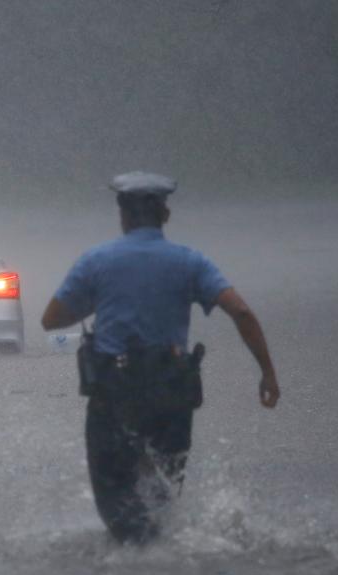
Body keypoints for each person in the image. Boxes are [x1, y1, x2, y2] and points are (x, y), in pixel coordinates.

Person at [41, 170, 279, 543]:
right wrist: (267, 373)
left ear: (122, 216)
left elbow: (51, 319)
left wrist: (97, 301)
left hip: (113, 395)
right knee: (163, 498)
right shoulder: (191, 262)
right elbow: (243, 313)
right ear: (164, 215)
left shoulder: (96, 261)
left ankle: (129, 566)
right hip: (171, 394)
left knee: (117, 506)